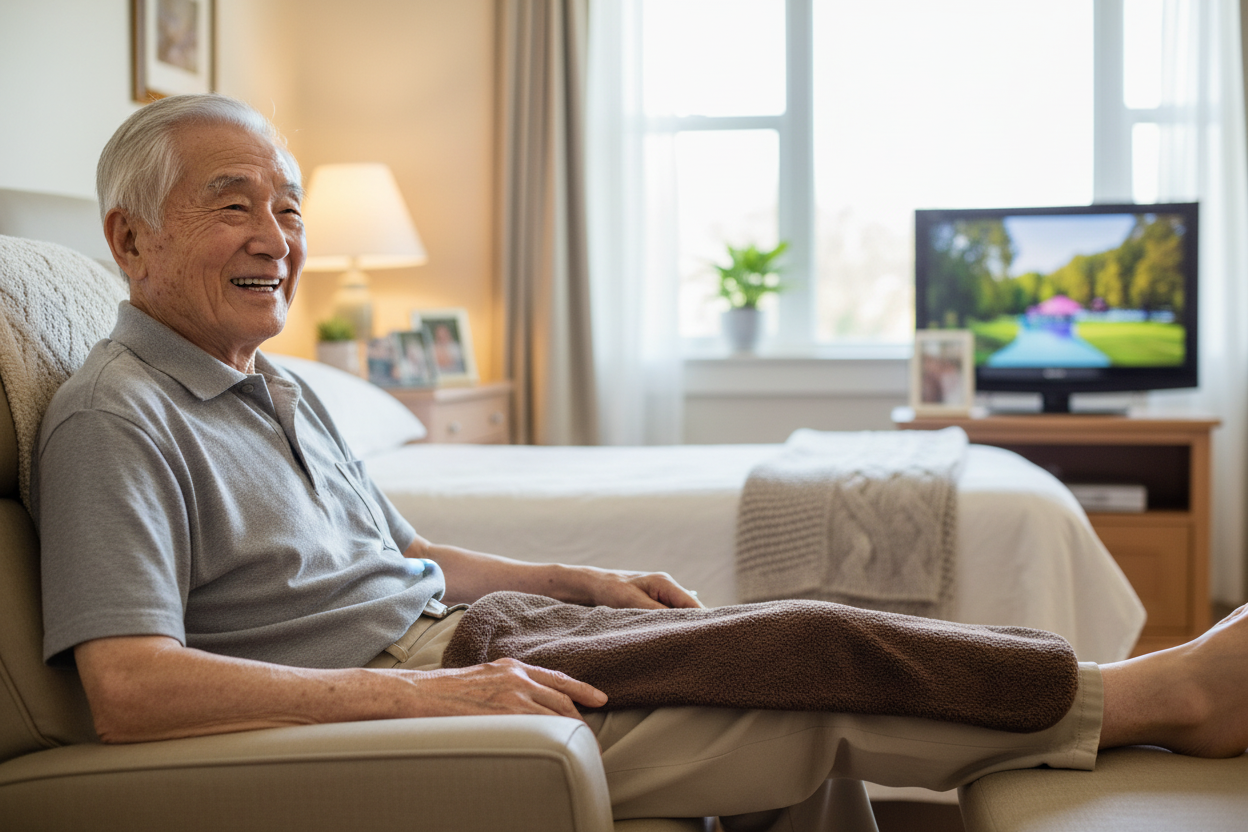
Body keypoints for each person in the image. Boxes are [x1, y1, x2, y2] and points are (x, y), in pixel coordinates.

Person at [32, 94, 1248, 828]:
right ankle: (1159, 696)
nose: (277, 237)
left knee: (782, 651)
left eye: (291, 207)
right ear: (131, 238)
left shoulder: (274, 386)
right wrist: (423, 696)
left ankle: (1145, 689)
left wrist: (578, 579)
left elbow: (399, 553)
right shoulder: (117, 414)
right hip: (428, 680)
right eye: (233, 202)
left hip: (477, 632)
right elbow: (132, 686)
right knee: (810, 645)